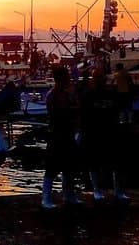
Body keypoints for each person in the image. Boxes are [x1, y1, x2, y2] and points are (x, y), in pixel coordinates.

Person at [80, 68, 128, 202]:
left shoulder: (110, 93)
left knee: (116, 164)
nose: (100, 80)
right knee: (95, 163)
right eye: (98, 77)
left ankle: (118, 191)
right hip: (95, 132)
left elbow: (116, 111)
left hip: (110, 131)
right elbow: (84, 116)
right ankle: (98, 190)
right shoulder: (88, 95)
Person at [43, 65, 80, 208]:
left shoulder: (65, 94)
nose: (69, 79)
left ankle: (69, 195)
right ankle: (46, 198)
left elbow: (75, 108)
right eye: (67, 77)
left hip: (67, 133)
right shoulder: (53, 95)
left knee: (69, 166)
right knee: (52, 167)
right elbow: (61, 112)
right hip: (57, 134)